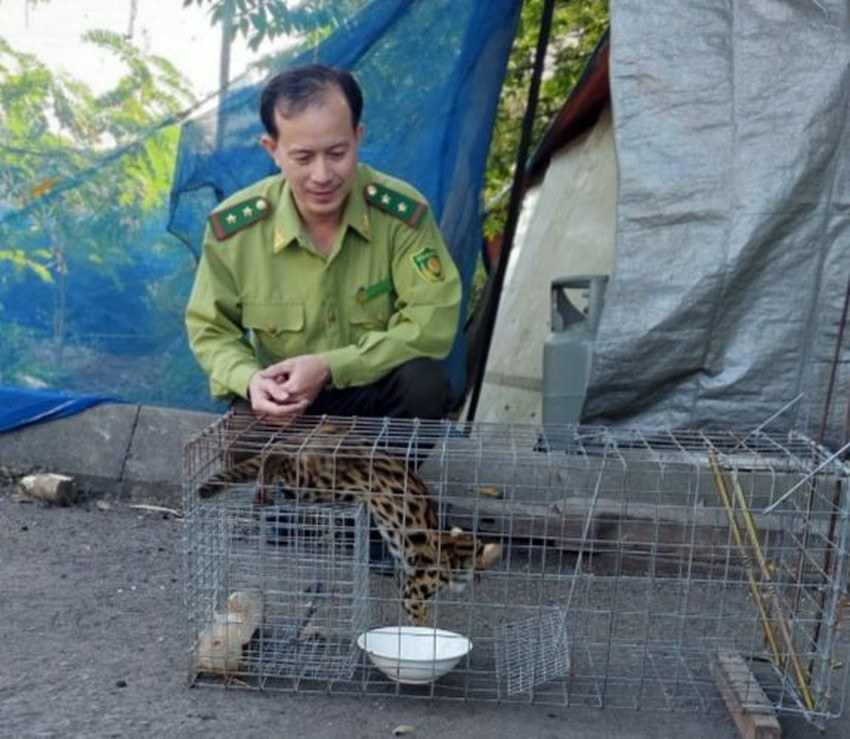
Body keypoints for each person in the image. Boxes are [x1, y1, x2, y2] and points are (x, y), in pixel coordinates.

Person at [185, 64, 462, 422]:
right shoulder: (236, 229)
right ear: (273, 149)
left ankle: (376, 478)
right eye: (303, 157)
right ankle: (312, 475)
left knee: (424, 386)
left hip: (374, 393)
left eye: (337, 153)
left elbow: (432, 320)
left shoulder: (400, 214)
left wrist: (331, 366)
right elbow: (211, 329)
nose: (322, 175)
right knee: (239, 432)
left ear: (357, 137)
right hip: (287, 400)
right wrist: (250, 379)